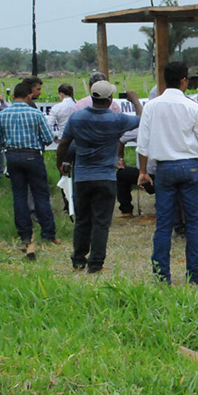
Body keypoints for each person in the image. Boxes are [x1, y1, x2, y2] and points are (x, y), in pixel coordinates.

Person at [137, 61, 198, 284]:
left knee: (163, 225)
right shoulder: (193, 107)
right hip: (190, 165)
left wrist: (143, 171)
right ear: (184, 81)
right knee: (194, 223)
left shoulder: (152, 106)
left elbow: (143, 145)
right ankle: (194, 276)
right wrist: (196, 165)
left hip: (165, 168)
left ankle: (162, 276)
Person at [56, 82, 142, 273]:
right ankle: (95, 264)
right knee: (101, 223)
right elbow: (142, 119)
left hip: (82, 177)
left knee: (82, 220)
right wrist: (135, 100)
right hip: (105, 177)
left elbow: (64, 143)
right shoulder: (116, 120)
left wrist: (60, 163)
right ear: (110, 99)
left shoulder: (77, 117)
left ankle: (78, 259)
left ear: (92, 97)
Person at [0, 81, 60, 260]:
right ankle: (48, 233)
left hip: (13, 157)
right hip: (33, 156)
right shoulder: (36, 113)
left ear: (14, 96)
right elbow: (47, 138)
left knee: (19, 195)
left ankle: (24, 234)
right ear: (29, 96)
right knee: (40, 195)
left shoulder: (2, 115)